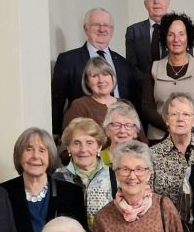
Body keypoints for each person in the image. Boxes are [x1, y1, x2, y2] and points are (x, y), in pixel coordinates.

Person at [0, 127, 87, 232]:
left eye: (42, 150)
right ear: (19, 155)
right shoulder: (2, 194)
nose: (35, 156)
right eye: (28, 149)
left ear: (50, 156)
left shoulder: (71, 192)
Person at [51, 7, 137, 138]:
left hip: (121, 136)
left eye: (106, 25)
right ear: (86, 29)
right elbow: (57, 100)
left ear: (112, 30)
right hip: (86, 135)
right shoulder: (67, 60)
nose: (102, 29)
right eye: (96, 25)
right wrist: (55, 132)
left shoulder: (123, 64)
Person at [141, 12, 194, 141]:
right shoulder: (153, 68)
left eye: (181, 34)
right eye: (171, 34)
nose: (176, 39)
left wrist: (187, 128)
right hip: (159, 139)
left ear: (188, 37)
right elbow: (147, 107)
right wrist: (170, 127)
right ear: (165, 38)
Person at [149, 92, 194, 225]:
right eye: (174, 114)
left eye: (186, 114)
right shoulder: (151, 155)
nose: (180, 119)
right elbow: (147, 198)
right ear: (166, 119)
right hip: (163, 227)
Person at [56, 117, 117, 227]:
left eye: (89, 143)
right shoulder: (56, 178)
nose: (83, 149)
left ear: (99, 147)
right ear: (68, 147)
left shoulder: (115, 177)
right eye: (76, 143)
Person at [125, 0, 170, 83]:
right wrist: (150, 85)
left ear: (168, 1)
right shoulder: (133, 31)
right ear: (145, 4)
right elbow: (132, 66)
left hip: (174, 91)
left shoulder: (180, 29)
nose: (156, 1)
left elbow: (186, 61)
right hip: (143, 90)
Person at [62, 56, 117, 131]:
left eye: (105, 74)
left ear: (112, 78)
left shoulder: (126, 104)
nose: (101, 80)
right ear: (87, 82)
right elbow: (71, 137)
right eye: (94, 76)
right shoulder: (79, 106)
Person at [100, 101, 148, 168]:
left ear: (135, 132)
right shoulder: (97, 159)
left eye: (128, 125)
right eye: (116, 125)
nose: (122, 131)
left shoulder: (146, 159)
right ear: (107, 130)